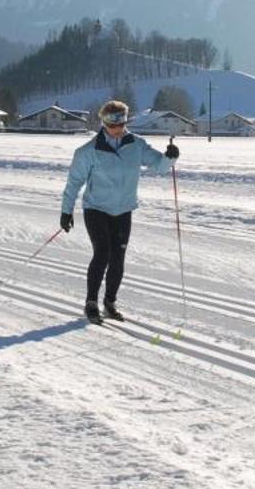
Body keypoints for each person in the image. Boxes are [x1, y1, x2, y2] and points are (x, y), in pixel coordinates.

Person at [60, 100, 179, 323]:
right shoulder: (88, 151)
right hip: (96, 208)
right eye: (111, 125)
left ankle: (110, 303)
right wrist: (66, 212)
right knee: (102, 253)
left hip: (123, 210)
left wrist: (170, 156)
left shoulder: (136, 145)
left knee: (118, 258)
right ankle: (91, 302)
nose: (117, 129)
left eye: (121, 124)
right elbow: (74, 183)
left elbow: (160, 166)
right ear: (103, 123)